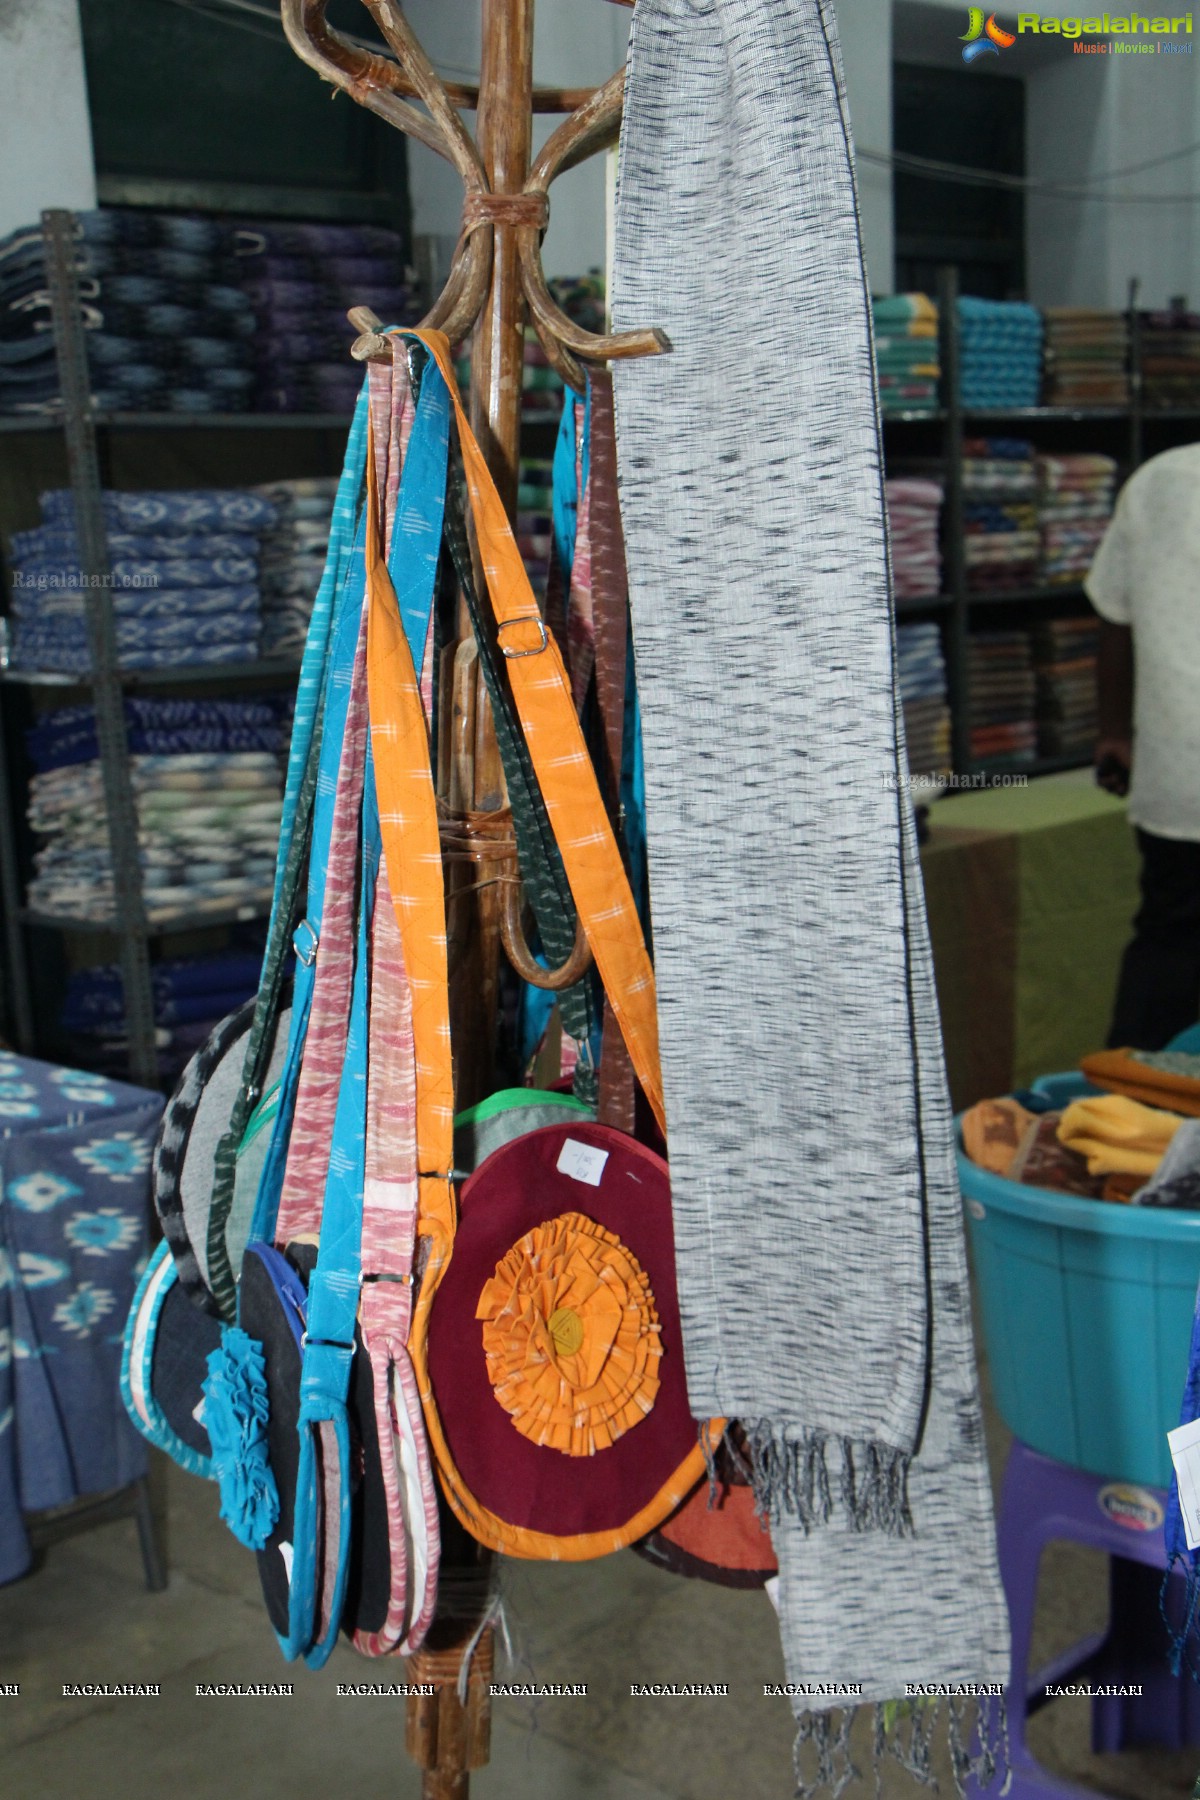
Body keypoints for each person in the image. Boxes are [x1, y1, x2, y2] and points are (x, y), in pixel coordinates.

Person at [1087, 442, 1200, 1049]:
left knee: (1168, 946)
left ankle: (1125, 1113)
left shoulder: (1158, 479)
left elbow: (1114, 613)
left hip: (1176, 775)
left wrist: (1112, 732)